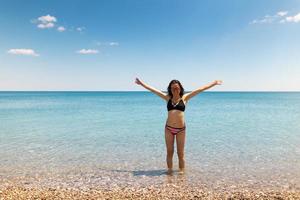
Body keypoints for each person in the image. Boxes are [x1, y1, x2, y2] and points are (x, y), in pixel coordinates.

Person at [135, 78, 222, 174]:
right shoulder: (167, 98)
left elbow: (200, 89)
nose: (175, 90)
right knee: (169, 152)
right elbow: (153, 90)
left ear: (180, 88)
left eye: (177, 88)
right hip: (168, 129)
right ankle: (169, 172)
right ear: (170, 90)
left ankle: (181, 174)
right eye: (173, 89)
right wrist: (141, 83)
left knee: (181, 153)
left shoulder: (185, 98)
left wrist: (214, 83)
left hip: (181, 130)